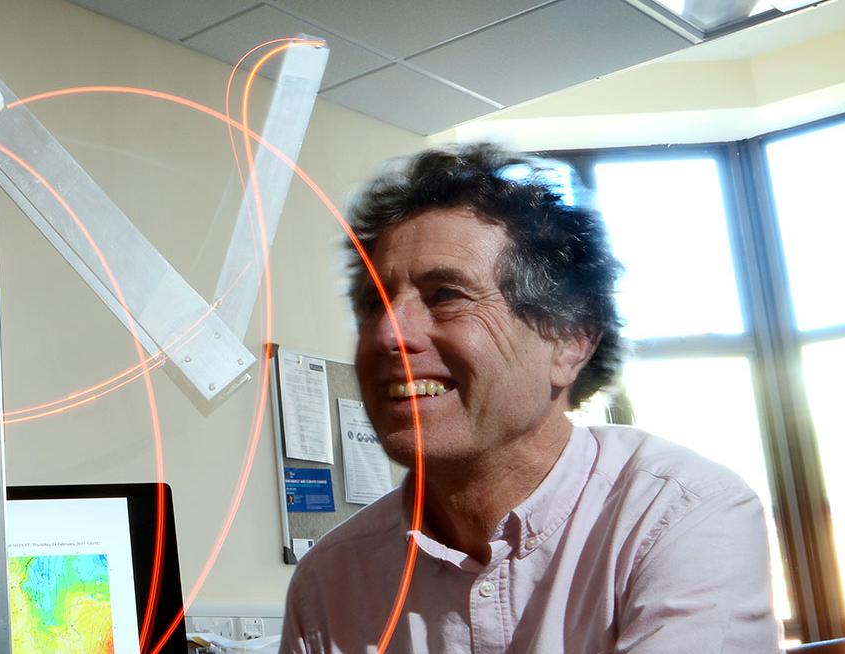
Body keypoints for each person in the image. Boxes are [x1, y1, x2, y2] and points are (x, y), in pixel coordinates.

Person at [279, 144, 778, 653]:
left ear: (570, 341)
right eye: (372, 303)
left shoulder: (677, 515)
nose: (389, 333)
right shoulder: (329, 582)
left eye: (446, 295)